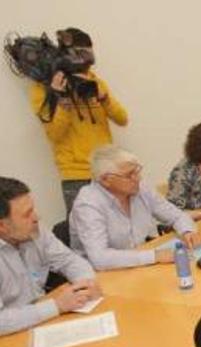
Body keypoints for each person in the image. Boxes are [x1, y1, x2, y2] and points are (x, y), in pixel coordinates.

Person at [28, 28, 129, 214]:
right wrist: (62, 99)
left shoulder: (94, 81)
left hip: (108, 170)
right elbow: (55, 134)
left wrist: (104, 99)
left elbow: (123, 119)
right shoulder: (43, 88)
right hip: (75, 175)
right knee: (84, 236)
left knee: (121, 230)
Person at [69, 145, 199, 271]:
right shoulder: (88, 204)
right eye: (129, 175)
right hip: (103, 275)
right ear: (105, 180)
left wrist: (187, 231)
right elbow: (100, 258)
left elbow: (176, 215)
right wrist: (155, 256)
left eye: (137, 171)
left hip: (140, 263)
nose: (138, 178)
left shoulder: (139, 187)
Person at [0, 177, 101, 335]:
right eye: (27, 214)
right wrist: (56, 306)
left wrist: (85, 284)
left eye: (33, 209)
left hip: (44, 320)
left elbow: (69, 260)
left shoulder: (34, 230)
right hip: (12, 335)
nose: (36, 218)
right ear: (2, 226)